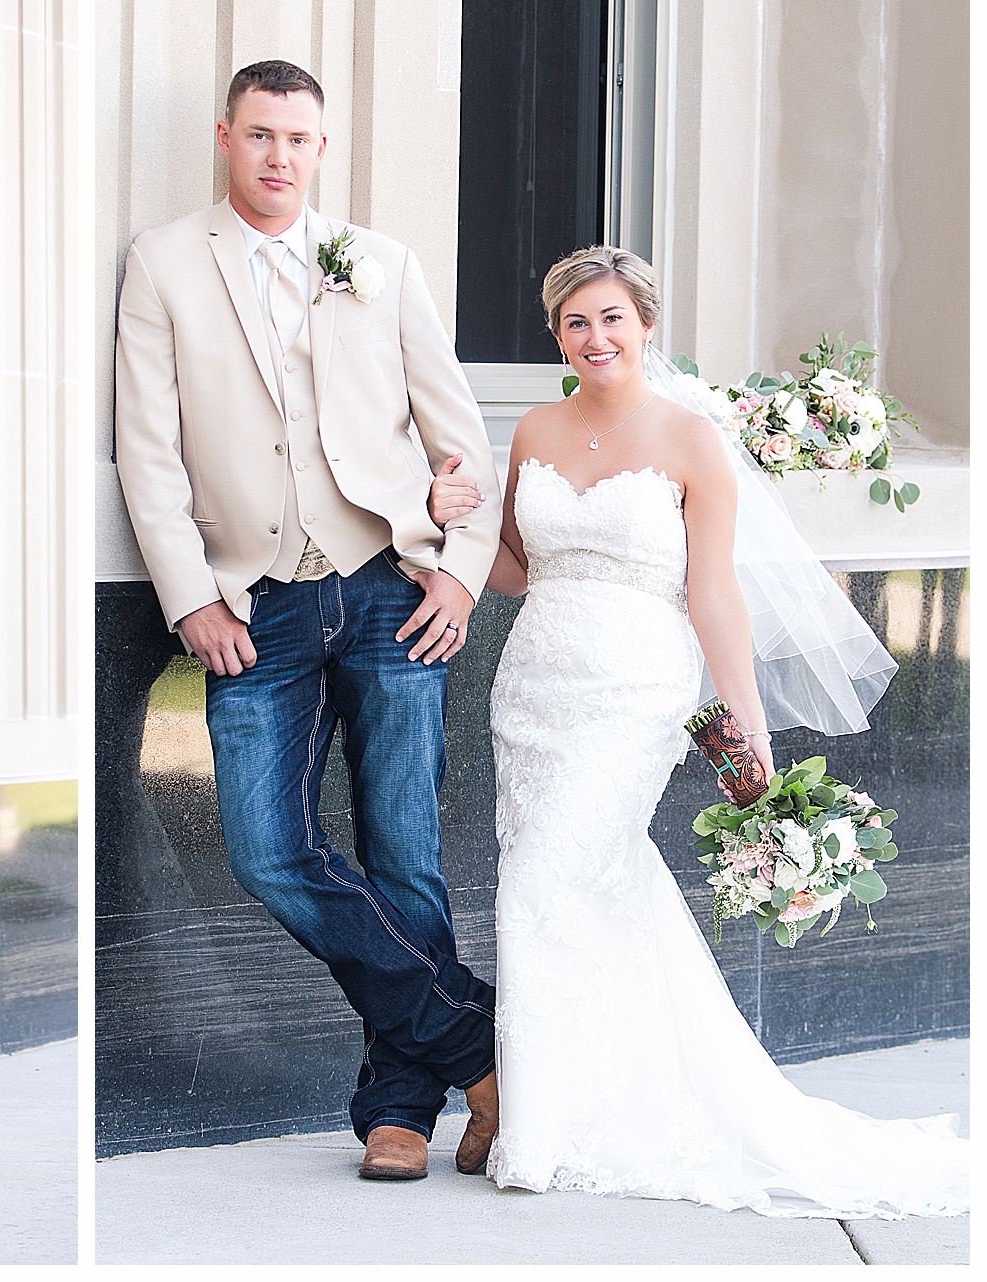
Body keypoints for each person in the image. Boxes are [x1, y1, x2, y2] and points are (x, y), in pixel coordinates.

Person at [429, 245, 969, 1216]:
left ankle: (544, 1125)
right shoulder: (534, 431)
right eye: (575, 322)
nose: (595, 337)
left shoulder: (689, 440)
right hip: (536, 689)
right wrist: (448, 523)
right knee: (559, 885)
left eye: (612, 318)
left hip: (636, 689)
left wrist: (743, 725)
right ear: (557, 335)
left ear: (644, 326)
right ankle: (581, 1096)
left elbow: (712, 589)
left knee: (557, 873)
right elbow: (512, 565)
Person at [113, 59, 504, 1181]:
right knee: (269, 848)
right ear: (225, 138)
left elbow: (457, 432)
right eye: (261, 134)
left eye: (300, 138)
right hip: (255, 600)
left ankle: (398, 1110)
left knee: (406, 854)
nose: (280, 154)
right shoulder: (165, 261)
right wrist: (188, 591)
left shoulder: (380, 263)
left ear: (321, 150)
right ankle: (477, 1046)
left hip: (391, 585)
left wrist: (463, 575)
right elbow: (148, 446)